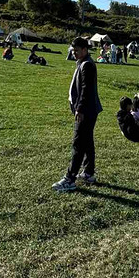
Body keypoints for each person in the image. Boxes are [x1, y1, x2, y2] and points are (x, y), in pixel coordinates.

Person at [52, 37, 101, 193]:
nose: (74, 53)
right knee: (87, 142)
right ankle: (88, 173)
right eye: (73, 51)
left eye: (77, 51)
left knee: (78, 143)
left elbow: (86, 89)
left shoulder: (87, 65)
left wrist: (79, 109)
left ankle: (70, 179)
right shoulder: (83, 62)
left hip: (86, 111)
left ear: (85, 50)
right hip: (89, 110)